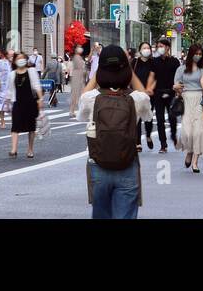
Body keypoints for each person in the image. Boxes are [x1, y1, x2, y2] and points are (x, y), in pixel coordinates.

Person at [77, 45, 152, 219]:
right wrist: (129, 72)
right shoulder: (136, 99)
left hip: (98, 165)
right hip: (127, 164)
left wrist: (99, 72)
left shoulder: (91, 99)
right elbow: (145, 99)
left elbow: (82, 102)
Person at [176, 44, 203, 172]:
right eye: (195, 53)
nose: (198, 56)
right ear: (190, 54)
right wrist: (176, 88)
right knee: (187, 131)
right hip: (185, 99)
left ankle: (195, 162)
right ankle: (189, 151)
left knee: (198, 131)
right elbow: (176, 85)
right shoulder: (181, 69)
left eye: (200, 54)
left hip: (199, 99)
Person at [6, 51, 42, 158]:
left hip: (30, 102)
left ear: (26, 60)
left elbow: (36, 85)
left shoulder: (31, 71)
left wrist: (40, 99)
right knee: (15, 126)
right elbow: (9, 90)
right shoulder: (12, 74)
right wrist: (7, 103)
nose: (20, 60)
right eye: (18, 58)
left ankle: (30, 149)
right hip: (17, 102)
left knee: (31, 127)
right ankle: (14, 149)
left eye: (23, 58)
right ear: (15, 61)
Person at [150, 40, 181, 152]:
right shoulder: (155, 61)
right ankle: (163, 144)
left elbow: (178, 77)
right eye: (158, 46)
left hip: (171, 92)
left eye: (161, 46)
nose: (159, 48)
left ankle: (173, 135)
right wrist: (149, 88)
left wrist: (178, 91)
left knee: (172, 117)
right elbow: (152, 77)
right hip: (158, 93)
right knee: (159, 119)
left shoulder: (175, 61)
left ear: (168, 47)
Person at [133, 42, 157, 150]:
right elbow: (130, 76)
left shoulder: (153, 62)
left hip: (149, 94)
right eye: (144, 48)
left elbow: (156, 77)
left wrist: (151, 88)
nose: (146, 50)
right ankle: (138, 142)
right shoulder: (134, 62)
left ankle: (148, 135)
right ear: (140, 50)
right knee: (137, 118)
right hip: (137, 93)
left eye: (148, 48)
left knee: (148, 117)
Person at [69, 44, 87, 114]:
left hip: (79, 77)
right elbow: (80, 67)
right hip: (77, 77)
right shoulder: (76, 57)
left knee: (79, 94)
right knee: (76, 94)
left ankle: (74, 110)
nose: (80, 49)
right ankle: (72, 110)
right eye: (79, 47)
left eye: (80, 47)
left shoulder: (78, 57)